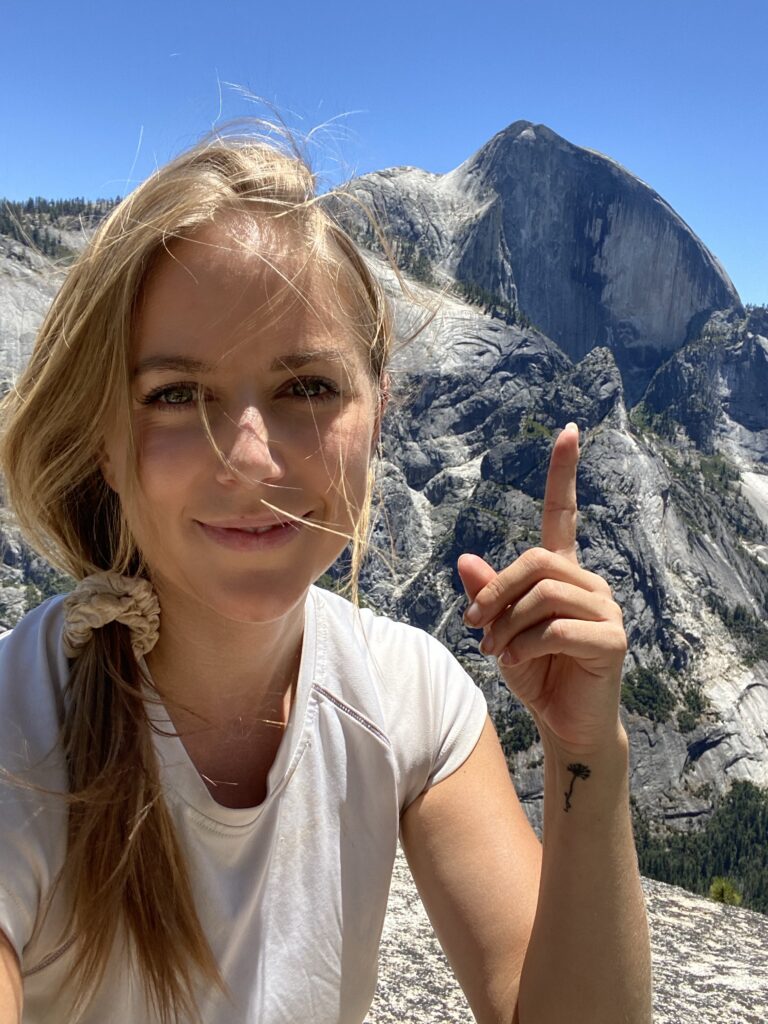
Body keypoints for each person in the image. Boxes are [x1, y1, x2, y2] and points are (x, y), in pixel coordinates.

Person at [0, 135, 652, 1023]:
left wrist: (589, 753)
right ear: (105, 443)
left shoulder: (410, 696)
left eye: (306, 386)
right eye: (175, 394)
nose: (248, 460)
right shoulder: (18, 730)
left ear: (378, 413)